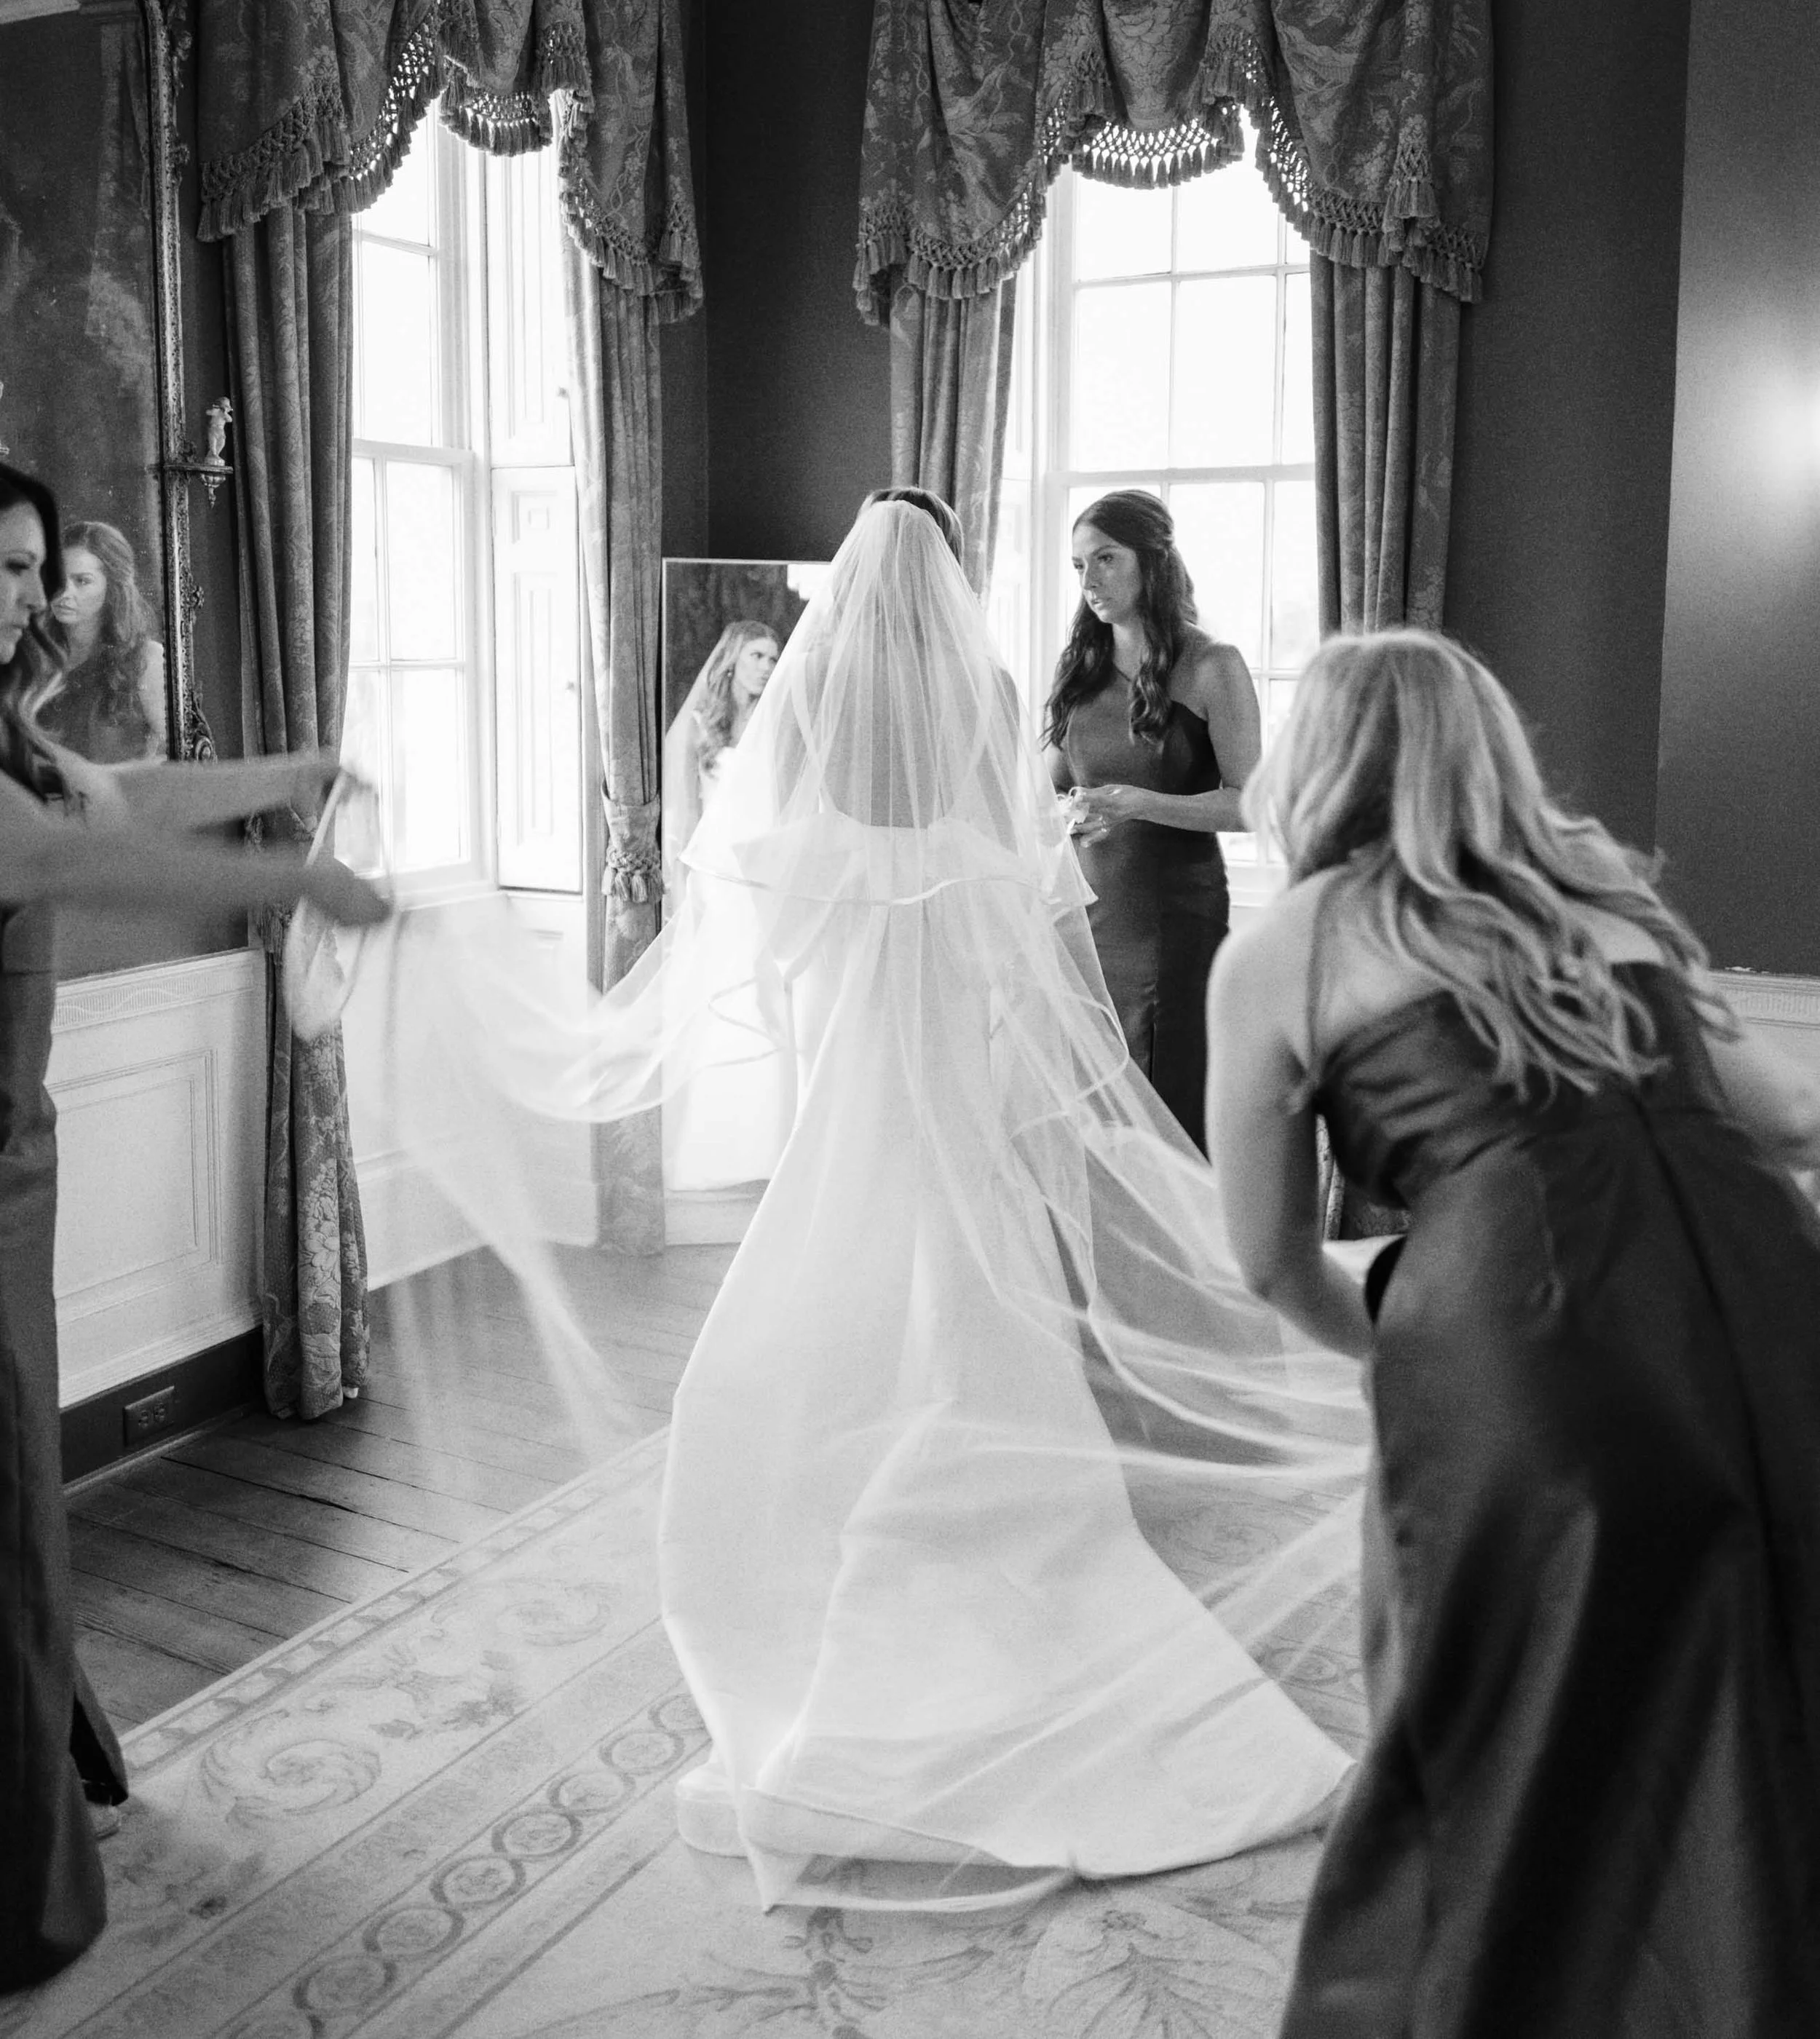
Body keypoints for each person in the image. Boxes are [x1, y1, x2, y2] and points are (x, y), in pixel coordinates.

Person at [366, 492, 1370, 1914]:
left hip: (848, 1090)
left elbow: (768, 892)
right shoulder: (989, 691)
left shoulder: (817, 687)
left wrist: (834, 952)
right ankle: (984, 1545)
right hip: (953, 1084)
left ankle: (837, 1542)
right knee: (969, 1311)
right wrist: (1036, 1061)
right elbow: (1036, 911)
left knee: (823, 1311)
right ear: (948, 575)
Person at [1205, 629, 1820, 2037]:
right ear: (1492, 751)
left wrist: (1418, 1355)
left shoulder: (1290, 945)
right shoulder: (1599, 911)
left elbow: (1269, 1259)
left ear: (1317, 758)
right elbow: (1793, 1118)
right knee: (1753, 1685)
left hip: (1530, 1342)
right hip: (1775, 1314)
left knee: (1504, 1713)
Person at [0, 462, 387, 1992]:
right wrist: (299, 870)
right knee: (8, 1504)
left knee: (16, 1504)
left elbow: (119, 801)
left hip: (16, 1166)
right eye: (1, 567)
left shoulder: (15, 738)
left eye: (33, 568)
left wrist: (289, 765)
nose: (24, 596)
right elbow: (72, 859)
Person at [1045, 490, 1258, 1151]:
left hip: (1173, 921)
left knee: (1168, 1103)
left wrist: (1141, 803)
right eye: (1079, 566)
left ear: (1152, 561)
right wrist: (1063, 812)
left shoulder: (1213, 664)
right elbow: (1048, 787)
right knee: (1090, 1112)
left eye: (1106, 558)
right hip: (1083, 918)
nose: (1090, 580)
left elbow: (1250, 802)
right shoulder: (1078, 669)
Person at [662, 620, 780, 900]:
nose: (766, 667)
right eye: (757, 656)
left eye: (773, 659)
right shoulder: (699, 725)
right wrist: (682, 885)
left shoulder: (773, 723)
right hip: (716, 855)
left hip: (765, 854)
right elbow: (685, 814)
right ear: (732, 661)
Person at [41, 519, 167, 764]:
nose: (64, 593)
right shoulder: (35, 659)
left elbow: (180, 757)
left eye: (82, 581)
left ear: (112, 587)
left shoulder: (145, 660)